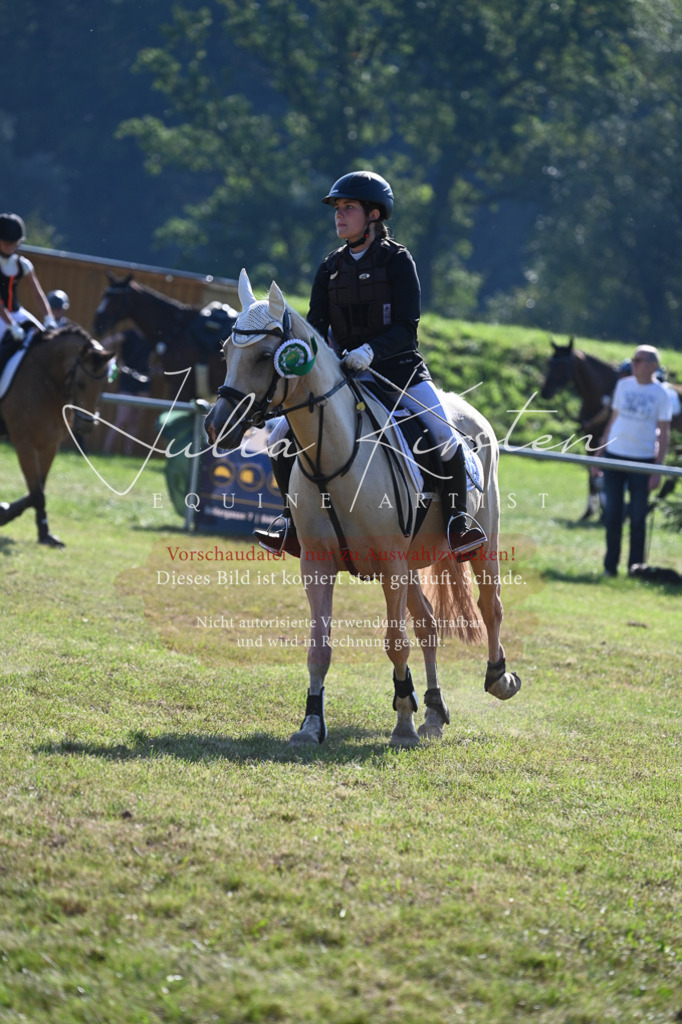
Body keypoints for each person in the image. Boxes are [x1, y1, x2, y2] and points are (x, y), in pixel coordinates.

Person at [254, 170, 485, 561]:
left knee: (446, 439)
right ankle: (291, 523)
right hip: (343, 379)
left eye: (348, 208)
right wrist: (315, 361)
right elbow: (316, 328)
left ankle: (458, 524)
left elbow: (407, 328)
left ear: (374, 215)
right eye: (337, 209)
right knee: (278, 437)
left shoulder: (398, 261)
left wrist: (369, 352)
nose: (339, 216)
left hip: (398, 374)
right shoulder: (329, 268)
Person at [598, 345, 671, 577]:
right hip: (615, 456)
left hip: (643, 460)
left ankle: (636, 569)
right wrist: (599, 452)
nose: (634, 364)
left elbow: (664, 432)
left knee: (638, 517)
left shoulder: (661, 393)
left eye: (639, 360)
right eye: (633, 359)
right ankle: (610, 568)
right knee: (612, 515)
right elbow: (612, 420)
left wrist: (657, 469)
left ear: (652, 365)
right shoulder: (623, 385)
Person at [0, 213, 57, 349]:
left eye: (14, 242)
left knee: (45, 341)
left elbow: (37, 294)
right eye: (6, 242)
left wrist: (49, 318)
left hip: (17, 313)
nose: (10, 246)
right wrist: (11, 325)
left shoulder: (23, 265)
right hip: (2, 316)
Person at [102, 327, 152, 455]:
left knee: (135, 421)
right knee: (122, 419)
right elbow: (107, 342)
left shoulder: (152, 338)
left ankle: (127, 453)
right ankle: (105, 451)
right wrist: (113, 360)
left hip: (144, 379)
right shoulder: (129, 334)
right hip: (127, 379)